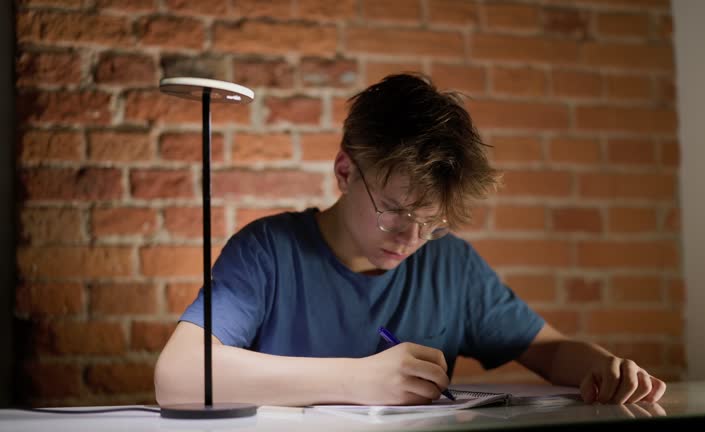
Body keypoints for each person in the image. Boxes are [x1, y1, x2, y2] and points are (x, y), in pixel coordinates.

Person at [154, 73, 667, 407]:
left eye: (433, 223)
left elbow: (551, 352)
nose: (411, 239)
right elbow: (178, 375)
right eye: (395, 212)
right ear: (344, 170)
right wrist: (358, 381)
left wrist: (603, 366)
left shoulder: (450, 266)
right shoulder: (269, 251)